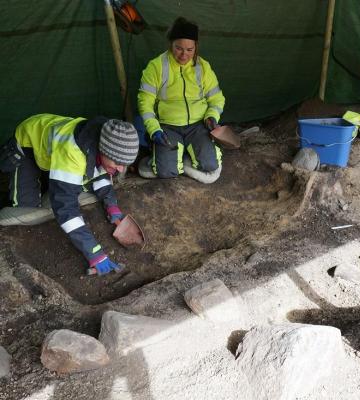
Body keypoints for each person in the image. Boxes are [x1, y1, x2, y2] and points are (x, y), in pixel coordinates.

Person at [0, 113, 139, 275]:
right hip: (28, 142)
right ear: (103, 151)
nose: (121, 169)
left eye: (125, 164)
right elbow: (66, 210)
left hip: (53, 144)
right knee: (27, 210)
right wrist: (94, 252)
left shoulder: (102, 141)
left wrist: (112, 206)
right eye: (118, 163)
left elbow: (100, 173)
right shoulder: (72, 154)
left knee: (78, 184)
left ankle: (55, 180)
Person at [138, 16, 225, 179]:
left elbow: (217, 98)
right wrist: (154, 128)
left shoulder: (203, 67)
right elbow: (145, 103)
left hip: (198, 126)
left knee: (209, 165)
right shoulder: (156, 66)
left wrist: (212, 116)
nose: (184, 55)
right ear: (171, 44)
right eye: (179, 48)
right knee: (166, 172)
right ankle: (165, 155)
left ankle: (187, 152)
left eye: (190, 50)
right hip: (167, 127)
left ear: (196, 47)